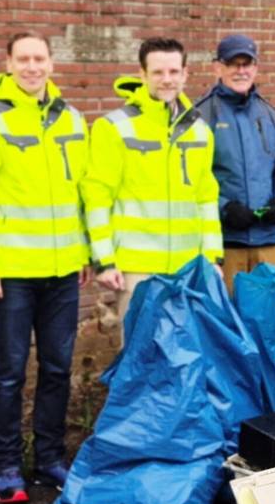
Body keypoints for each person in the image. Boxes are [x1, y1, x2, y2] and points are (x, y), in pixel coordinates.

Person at [0, 33, 89, 504]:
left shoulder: (71, 118)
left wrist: (87, 253)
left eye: (40, 59)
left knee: (57, 368)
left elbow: (83, 192)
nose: (32, 67)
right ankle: (7, 465)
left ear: (51, 64)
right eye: (23, 59)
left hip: (63, 272)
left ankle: (49, 458)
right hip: (10, 274)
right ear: (8, 64)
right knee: (10, 371)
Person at [82, 38, 223, 328]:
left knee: (186, 361)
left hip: (188, 267)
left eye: (173, 72)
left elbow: (206, 199)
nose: (166, 79)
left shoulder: (199, 131)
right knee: (140, 360)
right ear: (142, 75)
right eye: (158, 72)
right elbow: (97, 196)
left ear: (185, 74)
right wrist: (104, 260)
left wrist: (212, 258)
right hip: (137, 269)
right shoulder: (114, 127)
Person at [191, 34, 275, 296]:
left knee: (267, 324)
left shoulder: (270, 115)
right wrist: (224, 207)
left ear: (255, 67)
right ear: (218, 67)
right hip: (226, 243)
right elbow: (191, 179)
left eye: (246, 64)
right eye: (233, 64)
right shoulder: (199, 117)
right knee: (228, 323)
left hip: (266, 241)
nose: (241, 71)